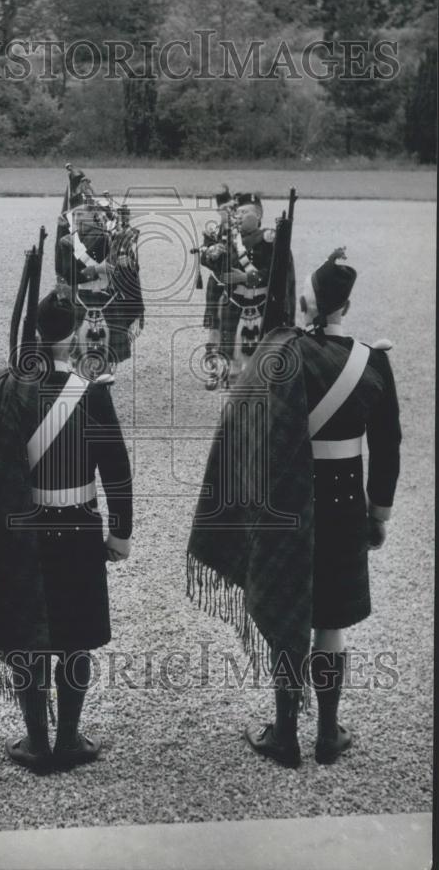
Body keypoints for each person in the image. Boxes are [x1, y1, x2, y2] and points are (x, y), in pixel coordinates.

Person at [187, 248, 401, 768]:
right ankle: (328, 734)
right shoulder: (373, 361)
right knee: (331, 619)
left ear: (307, 303)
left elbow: (244, 424)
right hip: (346, 503)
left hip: (288, 501)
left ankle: (285, 732)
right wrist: (379, 516)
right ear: (345, 306)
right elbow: (389, 447)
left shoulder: (279, 355)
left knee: (288, 604)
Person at [0, 290, 133, 771]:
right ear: (74, 336)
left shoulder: (7, 389)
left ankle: (35, 741)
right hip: (80, 528)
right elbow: (117, 471)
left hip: (22, 531)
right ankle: (68, 739)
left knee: (27, 635)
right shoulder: (92, 392)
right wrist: (121, 533)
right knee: (75, 636)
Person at [55, 169, 144, 374]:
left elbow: (129, 271)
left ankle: (103, 378)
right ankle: (80, 378)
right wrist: (95, 269)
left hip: (107, 298)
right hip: (82, 296)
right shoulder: (68, 242)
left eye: (80, 214)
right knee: (78, 349)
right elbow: (67, 273)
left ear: (93, 216)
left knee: (107, 350)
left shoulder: (109, 238)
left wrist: (123, 264)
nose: (75, 219)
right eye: (74, 214)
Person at [203, 193, 294, 382]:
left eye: (245, 212)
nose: (239, 215)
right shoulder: (229, 237)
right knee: (228, 342)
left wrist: (246, 276)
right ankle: (230, 376)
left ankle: (256, 378)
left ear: (259, 215)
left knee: (259, 346)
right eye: (238, 212)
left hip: (259, 303)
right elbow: (216, 267)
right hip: (234, 300)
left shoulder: (268, 238)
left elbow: (277, 270)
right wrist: (213, 255)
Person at [199, 187, 236, 390]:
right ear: (218, 211)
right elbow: (202, 256)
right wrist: (211, 253)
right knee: (214, 327)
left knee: (232, 328)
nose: (227, 212)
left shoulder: (241, 231)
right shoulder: (212, 230)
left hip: (235, 286)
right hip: (217, 283)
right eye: (223, 209)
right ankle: (212, 371)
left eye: (231, 208)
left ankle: (230, 369)